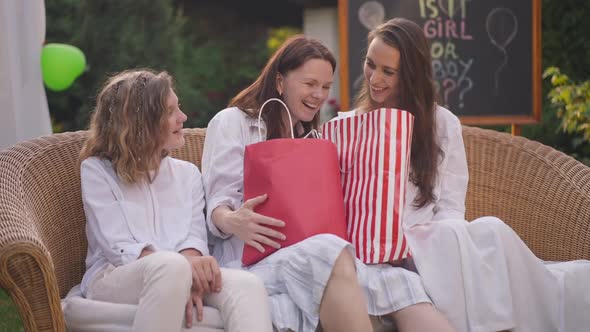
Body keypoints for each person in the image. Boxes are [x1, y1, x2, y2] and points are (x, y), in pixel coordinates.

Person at [343, 17, 590, 332]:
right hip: (376, 248)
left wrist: (435, 245)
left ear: (411, 75)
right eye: (370, 64)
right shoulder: (350, 125)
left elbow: (451, 205)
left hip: (430, 240)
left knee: (490, 229)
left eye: (388, 71)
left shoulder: (441, 124)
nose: (374, 78)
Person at [202, 35, 455, 332]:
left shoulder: (315, 139)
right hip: (251, 259)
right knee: (330, 251)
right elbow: (217, 207)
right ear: (280, 82)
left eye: (325, 87)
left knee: (398, 280)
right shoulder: (233, 122)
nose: (318, 95)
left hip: (309, 251)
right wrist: (234, 220)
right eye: (309, 84)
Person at [76, 69, 273, 332]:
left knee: (247, 286)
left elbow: (194, 237)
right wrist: (181, 272)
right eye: (170, 112)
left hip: (177, 270)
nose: (183, 117)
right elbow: (117, 245)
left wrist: (190, 271)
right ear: (141, 122)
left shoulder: (187, 173)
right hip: (115, 276)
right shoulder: (97, 171)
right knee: (170, 268)